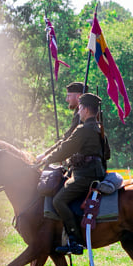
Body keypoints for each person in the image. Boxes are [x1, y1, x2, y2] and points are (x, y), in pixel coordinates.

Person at [38, 93, 107, 255]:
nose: (78, 112)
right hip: (97, 172)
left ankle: (74, 240)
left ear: (86, 110)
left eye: (80, 108)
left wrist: (46, 159)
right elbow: (107, 153)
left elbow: (65, 149)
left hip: (85, 175)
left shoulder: (83, 129)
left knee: (59, 200)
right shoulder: (98, 128)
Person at [36, 81, 85, 161]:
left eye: (69, 96)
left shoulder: (81, 117)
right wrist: (46, 154)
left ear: (78, 97)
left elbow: (68, 139)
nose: (67, 99)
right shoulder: (81, 114)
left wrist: (48, 156)